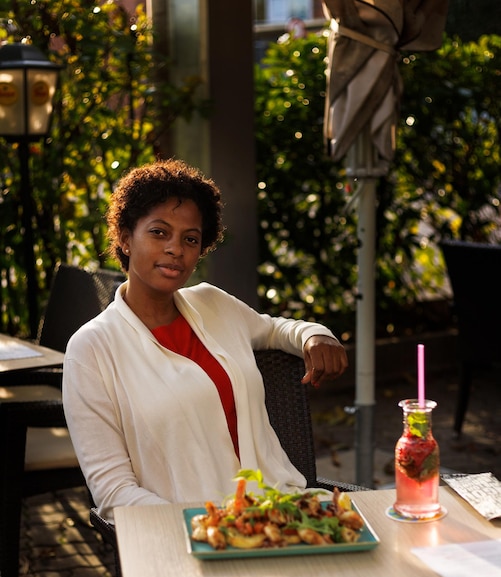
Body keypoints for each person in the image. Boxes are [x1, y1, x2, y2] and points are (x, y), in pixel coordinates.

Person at [62, 159, 348, 523]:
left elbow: (276, 329)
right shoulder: (91, 350)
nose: (175, 249)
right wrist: (207, 527)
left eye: (190, 239)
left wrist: (316, 335)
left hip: (283, 512)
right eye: (159, 232)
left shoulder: (213, 303)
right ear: (124, 237)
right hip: (192, 538)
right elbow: (114, 493)